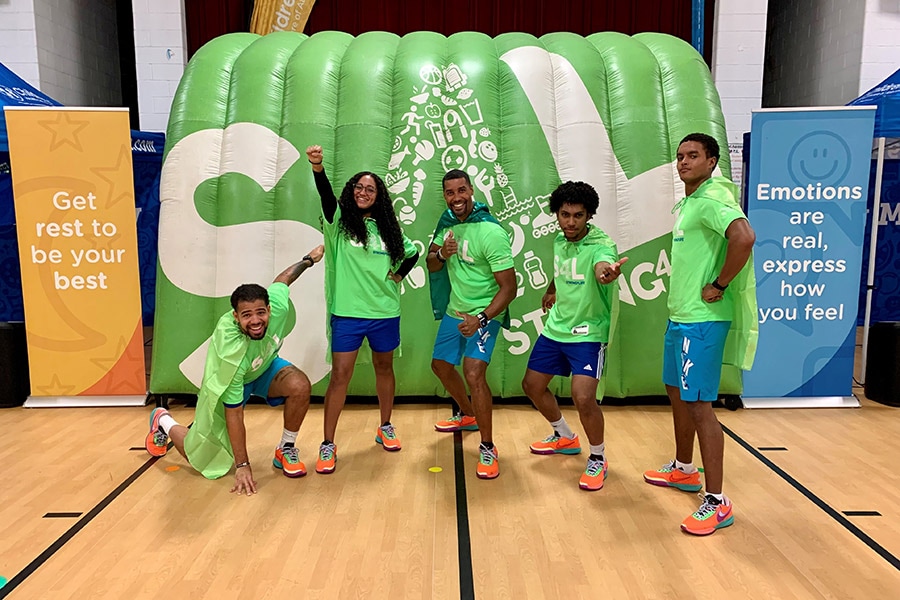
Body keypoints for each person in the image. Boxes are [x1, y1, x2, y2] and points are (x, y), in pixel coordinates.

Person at [643, 132, 757, 535]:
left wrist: (721, 284)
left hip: (703, 321)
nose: (683, 162)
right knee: (676, 391)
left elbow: (744, 237)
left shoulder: (712, 199)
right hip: (682, 317)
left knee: (699, 405)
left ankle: (717, 501)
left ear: (712, 161)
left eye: (693, 156)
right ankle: (684, 469)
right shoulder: (691, 202)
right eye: (679, 156)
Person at [144, 246, 325, 494]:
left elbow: (283, 280)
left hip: (263, 369)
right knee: (201, 456)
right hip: (228, 380)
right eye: (247, 315)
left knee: (299, 385)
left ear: (269, 309)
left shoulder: (278, 307)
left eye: (260, 312)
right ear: (236, 317)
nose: (255, 320)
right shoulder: (233, 353)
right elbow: (235, 414)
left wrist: (308, 260)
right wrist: (243, 465)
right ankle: (162, 419)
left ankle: (286, 448)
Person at [306, 145, 420, 475]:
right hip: (348, 313)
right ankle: (328, 443)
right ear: (351, 192)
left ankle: (385, 425)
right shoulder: (339, 223)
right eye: (359, 187)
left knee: (384, 369)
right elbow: (326, 197)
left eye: (370, 189)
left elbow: (411, 254)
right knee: (341, 375)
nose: (363, 192)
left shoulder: (389, 228)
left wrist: (398, 274)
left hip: (385, 312)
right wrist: (318, 167)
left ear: (378, 196)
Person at [521, 181, 627, 491]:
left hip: (588, 332)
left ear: (589, 215)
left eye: (578, 216)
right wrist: (552, 288)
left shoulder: (601, 244)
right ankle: (564, 435)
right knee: (531, 385)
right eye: (564, 215)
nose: (570, 222)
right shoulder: (559, 240)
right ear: (557, 214)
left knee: (583, 397)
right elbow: (563, 266)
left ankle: (597, 457)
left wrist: (607, 272)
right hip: (556, 328)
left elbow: (601, 267)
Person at [427, 169, 516, 479]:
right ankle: (468, 413)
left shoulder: (490, 232)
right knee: (440, 365)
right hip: (455, 311)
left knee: (474, 372)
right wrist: (441, 252)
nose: (456, 198)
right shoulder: (447, 224)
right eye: (450, 193)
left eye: (461, 191)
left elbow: (509, 288)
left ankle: (488, 447)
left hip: (484, 314)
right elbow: (431, 261)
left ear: (471, 190)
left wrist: (480, 319)